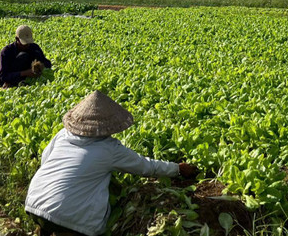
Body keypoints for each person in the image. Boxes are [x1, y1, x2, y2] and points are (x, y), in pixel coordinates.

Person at [25, 91, 198, 236]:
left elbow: (45, 160)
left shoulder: (62, 135)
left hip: (34, 203)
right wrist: (178, 169)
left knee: (50, 221)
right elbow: (147, 166)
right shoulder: (109, 149)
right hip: (69, 218)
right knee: (72, 223)